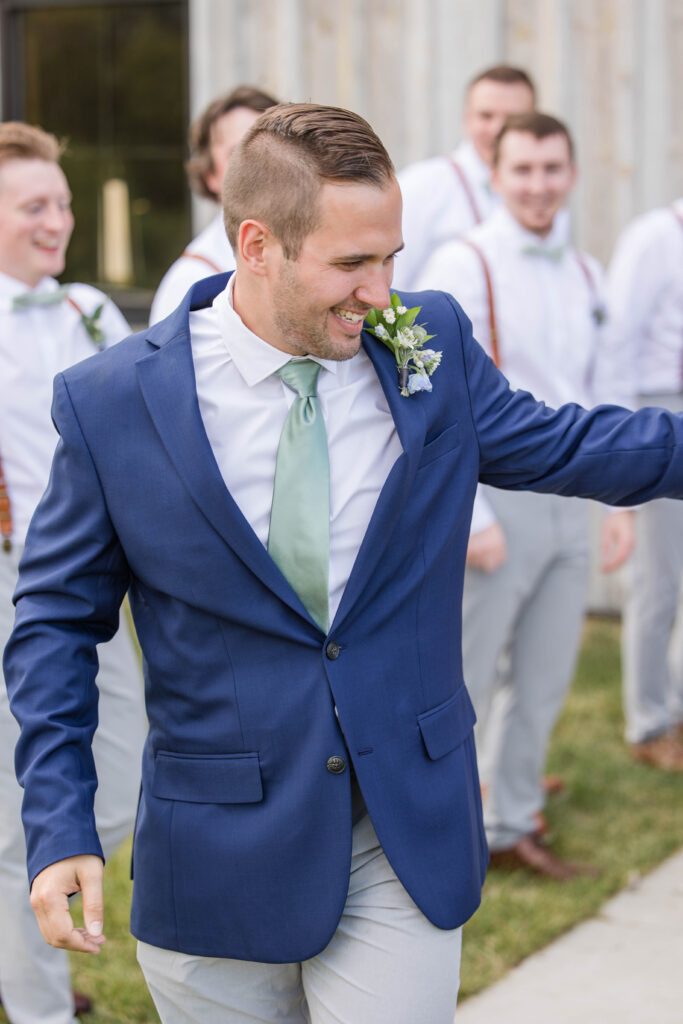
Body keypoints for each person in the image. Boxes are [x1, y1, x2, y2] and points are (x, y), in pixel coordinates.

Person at [5, 103, 683, 1024]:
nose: (381, 290)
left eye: (391, 257)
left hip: (397, 827)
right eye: (351, 263)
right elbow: (52, 624)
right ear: (256, 245)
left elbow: (573, 444)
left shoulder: (425, 344)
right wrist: (57, 823)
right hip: (214, 851)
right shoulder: (113, 401)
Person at [416, 112, 635, 879]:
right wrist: (470, 517)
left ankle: (510, 825)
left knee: (545, 674)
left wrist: (618, 504)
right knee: (467, 676)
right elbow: (431, 402)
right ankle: (441, 832)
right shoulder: (463, 262)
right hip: (494, 500)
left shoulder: (583, 270)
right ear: (496, 175)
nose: (538, 184)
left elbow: (602, 393)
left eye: (551, 168)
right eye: (522, 169)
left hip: (571, 500)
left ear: (569, 174)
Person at [0, 122, 145, 1023]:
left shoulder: (92, 310)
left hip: (84, 581)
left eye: (62, 203)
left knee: (123, 764)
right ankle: (42, 1004)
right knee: (21, 824)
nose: (56, 221)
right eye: (32, 206)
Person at [608, 198, 683, 771]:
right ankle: (648, 722)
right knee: (658, 579)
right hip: (662, 410)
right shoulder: (653, 236)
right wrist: (624, 444)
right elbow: (618, 343)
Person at [393, 64, 535, 290]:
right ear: (467, 119)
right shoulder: (420, 186)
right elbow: (391, 284)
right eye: (486, 116)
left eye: (514, 118)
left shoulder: (544, 194)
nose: (499, 129)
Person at [149, 84, 278, 324]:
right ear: (210, 175)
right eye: (239, 152)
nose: (261, 164)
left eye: (271, 147)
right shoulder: (191, 281)